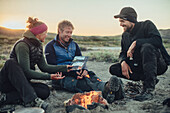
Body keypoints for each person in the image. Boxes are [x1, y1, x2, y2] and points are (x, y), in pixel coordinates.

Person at [0, 17, 72, 111]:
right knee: (11, 63)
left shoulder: (38, 46)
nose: (46, 35)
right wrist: (49, 77)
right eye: (45, 33)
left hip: (22, 84)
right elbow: (26, 71)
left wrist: (65, 68)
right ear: (39, 33)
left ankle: (6, 98)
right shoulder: (22, 45)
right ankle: (32, 100)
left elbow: (44, 67)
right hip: (8, 82)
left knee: (44, 91)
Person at [45, 20, 125, 104]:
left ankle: (108, 87)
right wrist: (73, 72)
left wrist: (84, 70)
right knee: (83, 83)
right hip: (61, 77)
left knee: (91, 76)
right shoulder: (50, 46)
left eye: (71, 32)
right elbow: (52, 67)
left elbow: (80, 61)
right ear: (59, 31)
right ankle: (108, 90)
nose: (69, 35)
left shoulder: (74, 45)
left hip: (76, 72)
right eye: (67, 32)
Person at [109, 7, 170, 101]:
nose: (121, 24)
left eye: (122, 21)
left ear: (131, 19)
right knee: (114, 69)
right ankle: (150, 79)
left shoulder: (147, 25)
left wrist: (136, 43)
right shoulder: (125, 35)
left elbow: (158, 41)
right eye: (119, 22)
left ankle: (149, 89)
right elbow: (123, 53)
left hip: (158, 65)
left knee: (147, 47)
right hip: (140, 66)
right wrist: (123, 62)